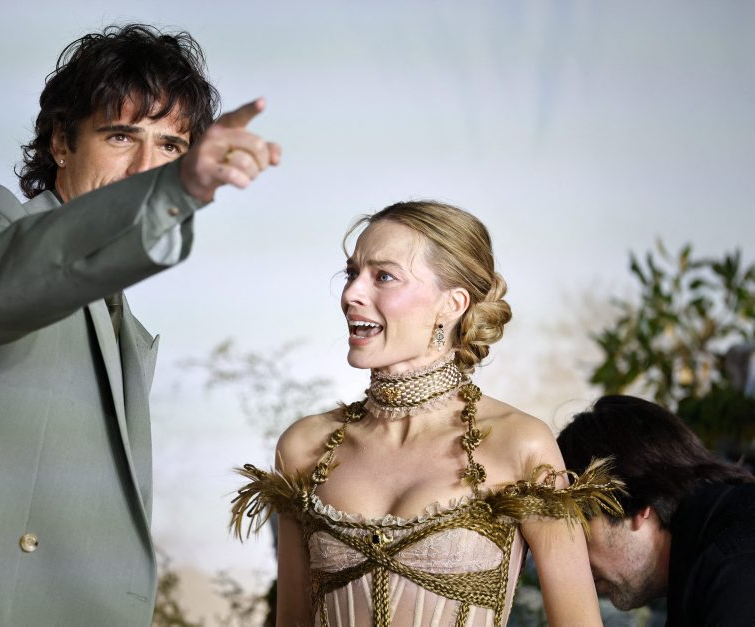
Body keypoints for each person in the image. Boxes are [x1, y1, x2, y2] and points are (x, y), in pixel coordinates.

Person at [0, 24, 279, 626]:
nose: (146, 168)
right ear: (61, 141)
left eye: (171, 148)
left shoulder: (124, 328)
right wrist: (173, 190)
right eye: (121, 136)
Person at [232, 201, 622, 626]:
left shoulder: (519, 443)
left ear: (452, 304)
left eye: (383, 276)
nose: (351, 294)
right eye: (352, 273)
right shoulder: (305, 447)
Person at [557, 395, 755, 626]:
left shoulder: (735, 567)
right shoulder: (711, 561)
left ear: (638, 507)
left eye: (576, 531)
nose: (571, 559)